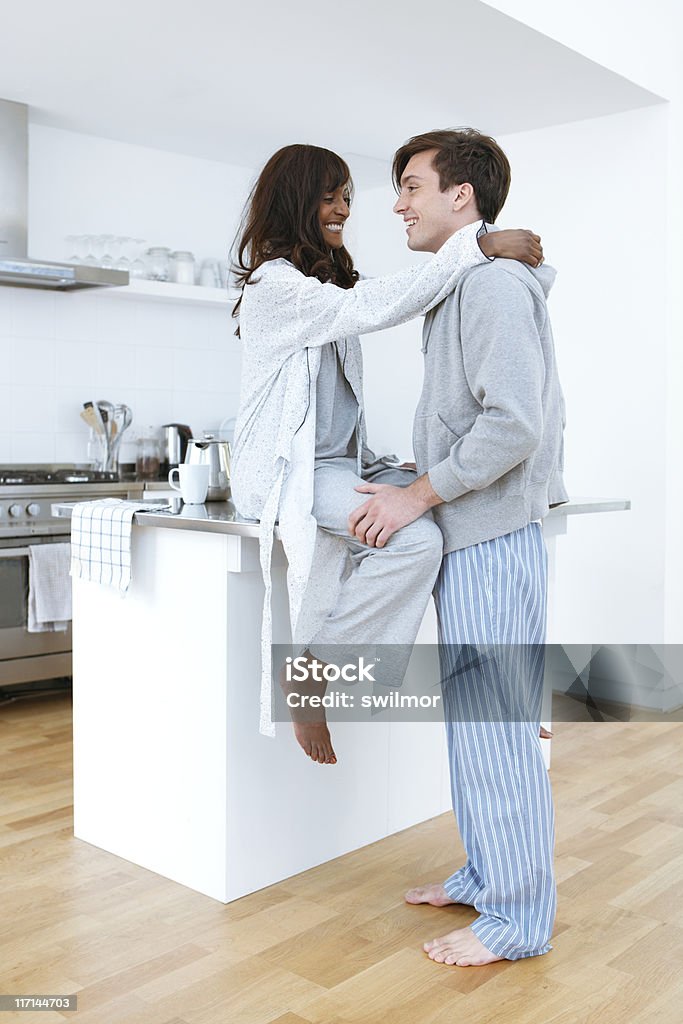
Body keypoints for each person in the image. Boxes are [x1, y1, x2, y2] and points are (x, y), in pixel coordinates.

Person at [230, 143, 544, 765]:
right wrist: (478, 247)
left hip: (339, 463)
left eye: (348, 195)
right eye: (331, 195)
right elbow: (382, 304)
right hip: (282, 475)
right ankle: (315, 670)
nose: (345, 208)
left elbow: (377, 326)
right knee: (415, 540)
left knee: (415, 501)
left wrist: (389, 468)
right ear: (295, 200)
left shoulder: (326, 285)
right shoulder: (275, 286)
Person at [348, 128, 567, 966]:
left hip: (491, 535)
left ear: (459, 197)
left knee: (497, 730)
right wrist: (415, 471)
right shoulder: (464, 285)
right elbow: (471, 419)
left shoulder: (493, 289)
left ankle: (516, 921)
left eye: (410, 186)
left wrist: (417, 493)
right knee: (476, 727)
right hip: (475, 533)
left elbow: (513, 425)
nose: (397, 204)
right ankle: (486, 874)